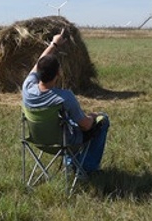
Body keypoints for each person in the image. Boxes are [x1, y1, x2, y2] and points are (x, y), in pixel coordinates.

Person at [22, 30, 110, 174]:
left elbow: (39, 63)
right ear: (58, 74)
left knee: (66, 120)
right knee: (103, 120)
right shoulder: (64, 97)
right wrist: (94, 116)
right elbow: (86, 126)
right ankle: (85, 167)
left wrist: (54, 44)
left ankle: (71, 164)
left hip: (39, 141)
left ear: (39, 73)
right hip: (63, 142)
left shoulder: (27, 88)